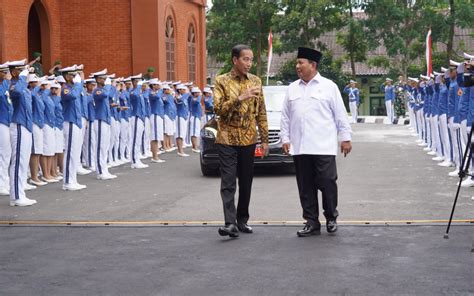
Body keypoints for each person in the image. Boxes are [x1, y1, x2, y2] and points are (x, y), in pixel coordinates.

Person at [280, 47, 352, 237]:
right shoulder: (292, 88)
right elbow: (286, 117)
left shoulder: (329, 86)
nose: (297, 66)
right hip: (300, 146)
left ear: (313, 65)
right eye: (297, 63)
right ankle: (311, 222)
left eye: (300, 63)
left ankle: (331, 217)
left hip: (323, 146)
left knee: (327, 182)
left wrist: (345, 138)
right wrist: (285, 138)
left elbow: (340, 114)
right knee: (305, 186)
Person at [213, 44, 269, 237]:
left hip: (248, 139)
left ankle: (242, 220)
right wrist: (240, 98)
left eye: (251, 60)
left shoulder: (256, 81)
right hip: (227, 138)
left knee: (246, 182)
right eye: (245, 59)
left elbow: (261, 111)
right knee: (228, 182)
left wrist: (265, 139)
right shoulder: (221, 81)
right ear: (235, 60)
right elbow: (218, 109)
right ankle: (230, 223)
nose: (249, 63)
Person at [8, 59, 37, 206]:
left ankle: (19, 194)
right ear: (13, 72)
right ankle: (17, 196)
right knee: (18, 161)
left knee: (23, 161)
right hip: (18, 125)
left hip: (26, 125)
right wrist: (22, 77)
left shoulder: (23, 86)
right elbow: (17, 92)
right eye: (20, 70)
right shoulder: (13, 85)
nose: (24, 73)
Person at [60, 65, 87, 191]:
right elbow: (73, 96)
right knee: (70, 152)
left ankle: (73, 179)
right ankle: (67, 181)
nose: (75, 77)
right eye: (72, 75)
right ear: (66, 76)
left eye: (75, 75)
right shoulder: (65, 88)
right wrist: (78, 83)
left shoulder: (74, 87)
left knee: (75, 152)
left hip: (76, 122)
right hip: (69, 122)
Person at [0, 62, 12, 196]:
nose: (5, 75)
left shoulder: (5, 86)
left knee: (7, 153)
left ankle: (5, 181)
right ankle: (1, 183)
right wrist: (6, 82)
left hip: (7, 121)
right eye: (3, 72)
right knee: (3, 153)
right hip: (1, 121)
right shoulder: (3, 86)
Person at [188, 86, 203, 152]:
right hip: (194, 117)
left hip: (197, 117)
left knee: (196, 132)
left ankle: (195, 146)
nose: (198, 94)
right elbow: (197, 102)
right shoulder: (194, 99)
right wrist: (199, 96)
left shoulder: (196, 98)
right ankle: (195, 147)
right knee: (194, 133)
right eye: (197, 93)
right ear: (194, 93)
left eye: (198, 92)